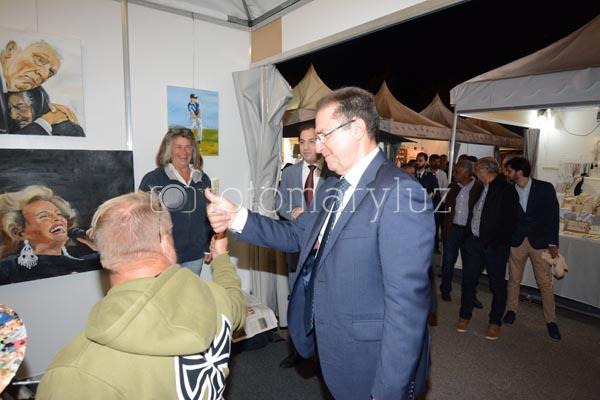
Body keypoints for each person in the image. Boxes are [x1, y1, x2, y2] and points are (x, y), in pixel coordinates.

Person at [206, 87, 433, 400]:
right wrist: (236, 217)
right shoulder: (332, 187)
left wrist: (388, 392)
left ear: (357, 129)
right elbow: (296, 235)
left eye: (324, 135)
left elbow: (406, 310)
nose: (318, 146)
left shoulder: (399, 192)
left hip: (370, 360)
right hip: (334, 348)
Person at [36, 191, 245, 399]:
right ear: (166, 243)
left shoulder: (74, 375)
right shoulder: (214, 298)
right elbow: (233, 300)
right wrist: (221, 258)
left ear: (104, 256)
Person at [276, 121, 334, 368]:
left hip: (325, 251)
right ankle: (297, 350)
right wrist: (293, 214)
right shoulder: (289, 173)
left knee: (323, 302)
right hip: (297, 250)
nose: (307, 146)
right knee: (297, 300)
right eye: (302, 142)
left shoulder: (333, 173)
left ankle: (323, 356)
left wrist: (311, 217)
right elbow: (279, 204)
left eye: (312, 141)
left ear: (321, 143)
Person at [457, 157, 518, 340]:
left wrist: (495, 242)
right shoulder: (480, 187)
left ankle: (495, 322)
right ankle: (464, 315)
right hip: (474, 243)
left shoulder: (507, 190)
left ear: (484, 170)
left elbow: (510, 222)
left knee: (497, 285)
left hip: (495, 246)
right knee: (468, 280)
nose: (475, 174)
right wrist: (468, 239)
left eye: (476, 170)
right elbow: (475, 213)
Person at [139, 127, 213, 276]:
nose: (184, 152)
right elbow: (142, 218)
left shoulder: (202, 179)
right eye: (178, 147)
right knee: (165, 292)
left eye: (188, 147)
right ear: (168, 150)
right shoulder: (154, 179)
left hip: (194, 256)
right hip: (164, 256)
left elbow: (209, 215)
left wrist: (207, 246)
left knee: (190, 291)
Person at [503, 157, 562, 341]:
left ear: (519, 172)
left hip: (540, 242)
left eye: (509, 170)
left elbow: (553, 216)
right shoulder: (508, 190)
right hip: (517, 241)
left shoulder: (545, 188)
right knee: (514, 279)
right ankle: (511, 310)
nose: (507, 173)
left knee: (544, 282)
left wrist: (552, 243)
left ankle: (551, 321)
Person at [0, 185, 99, 285]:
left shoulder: (89, 263)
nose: (58, 219)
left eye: (59, 214)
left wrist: (99, 246)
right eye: (44, 216)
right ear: (21, 233)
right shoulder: (8, 269)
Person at [0, 40, 77, 133]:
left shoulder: (38, 94)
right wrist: (46, 121)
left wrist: (61, 117)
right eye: (40, 60)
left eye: (50, 72)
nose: (44, 75)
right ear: (10, 50)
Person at [439, 160, 483, 301]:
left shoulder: (479, 187)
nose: (454, 174)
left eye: (457, 172)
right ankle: (445, 290)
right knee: (448, 262)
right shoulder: (452, 186)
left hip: (469, 232)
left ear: (467, 173)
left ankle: (470, 296)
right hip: (452, 230)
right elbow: (446, 208)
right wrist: (444, 228)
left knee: (471, 266)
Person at [7, 89, 84, 136]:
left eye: (20, 107)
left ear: (38, 105)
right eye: (9, 109)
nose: (13, 116)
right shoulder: (12, 129)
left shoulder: (66, 130)